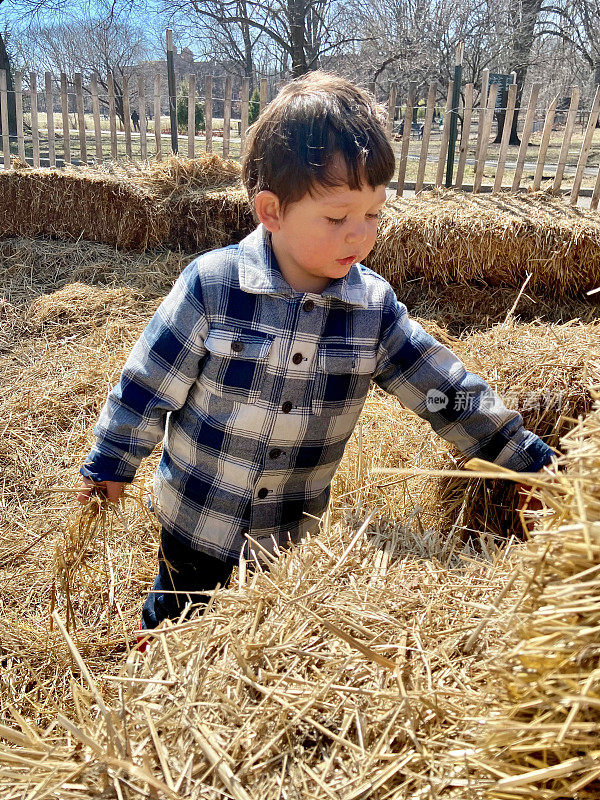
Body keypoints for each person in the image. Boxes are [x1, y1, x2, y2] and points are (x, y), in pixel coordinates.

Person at [78, 72, 554, 631]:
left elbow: (444, 390)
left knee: (262, 648)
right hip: (196, 521)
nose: (361, 236)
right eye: (336, 218)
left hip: (288, 540)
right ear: (271, 211)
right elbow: (146, 387)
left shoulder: (371, 308)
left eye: (374, 214)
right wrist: (112, 461)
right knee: (176, 625)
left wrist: (530, 460)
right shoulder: (214, 285)